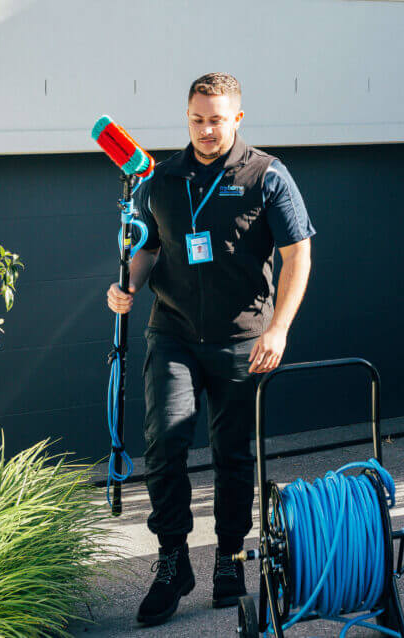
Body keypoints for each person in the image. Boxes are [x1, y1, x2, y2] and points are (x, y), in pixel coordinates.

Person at [106, 71, 314, 627]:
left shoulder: (267, 176)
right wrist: (127, 283)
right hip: (172, 332)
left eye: (216, 120)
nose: (205, 130)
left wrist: (279, 330)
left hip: (243, 340)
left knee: (232, 455)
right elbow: (151, 247)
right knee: (165, 445)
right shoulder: (163, 179)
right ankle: (172, 562)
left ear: (237, 118)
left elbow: (299, 256)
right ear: (188, 117)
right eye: (197, 119)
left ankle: (228, 558)